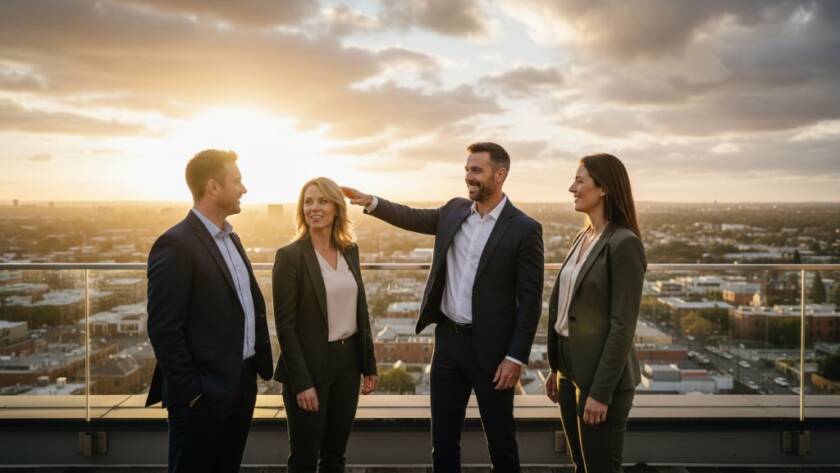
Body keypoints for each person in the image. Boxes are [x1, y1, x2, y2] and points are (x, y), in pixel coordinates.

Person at [343, 142, 544, 472]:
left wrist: (515, 357)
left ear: (501, 174)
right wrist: (372, 202)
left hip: (494, 353)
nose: (469, 177)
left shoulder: (524, 228)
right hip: (448, 345)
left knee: (502, 442)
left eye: (476, 170)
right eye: (467, 170)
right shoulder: (454, 211)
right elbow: (412, 216)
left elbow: (530, 300)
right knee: (444, 442)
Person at [145, 149, 274, 473]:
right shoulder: (175, 243)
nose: (244, 189)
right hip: (202, 394)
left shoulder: (231, 238)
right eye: (237, 181)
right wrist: (192, 393)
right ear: (213, 187)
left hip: (240, 383)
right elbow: (163, 328)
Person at [544, 153, 647, 473]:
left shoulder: (624, 243)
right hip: (568, 369)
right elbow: (568, 308)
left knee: (600, 467)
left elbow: (622, 327)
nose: (571, 188)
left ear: (603, 188)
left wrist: (601, 393)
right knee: (580, 463)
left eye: (579, 180)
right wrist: (555, 367)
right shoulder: (583, 236)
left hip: (602, 377)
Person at [273, 177, 378, 472]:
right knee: (305, 457)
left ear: (336, 208)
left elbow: (360, 310)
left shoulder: (350, 251)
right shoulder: (290, 256)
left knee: (335, 455)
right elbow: (285, 326)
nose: (314, 208)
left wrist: (368, 364)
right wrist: (302, 383)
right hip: (309, 364)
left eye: (322, 201)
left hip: (348, 364)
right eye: (308, 201)